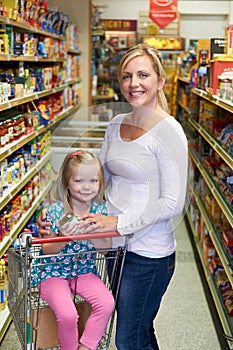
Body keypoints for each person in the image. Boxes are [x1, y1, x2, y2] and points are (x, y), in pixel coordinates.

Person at [39, 43, 188, 350]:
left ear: (160, 81)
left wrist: (117, 221)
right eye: (127, 76)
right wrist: (60, 211)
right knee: (138, 329)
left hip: (148, 253)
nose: (134, 83)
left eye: (143, 75)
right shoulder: (117, 124)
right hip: (112, 246)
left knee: (128, 338)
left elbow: (173, 202)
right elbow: (99, 179)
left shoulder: (169, 132)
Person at [33, 150, 115, 350]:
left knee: (107, 303)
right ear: (67, 183)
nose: (86, 187)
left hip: (84, 271)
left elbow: (105, 250)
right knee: (68, 314)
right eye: (79, 181)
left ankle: (86, 346)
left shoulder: (100, 212)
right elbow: (47, 250)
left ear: (100, 183)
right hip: (51, 273)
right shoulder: (55, 211)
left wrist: (93, 233)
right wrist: (65, 235)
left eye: (93, 181)